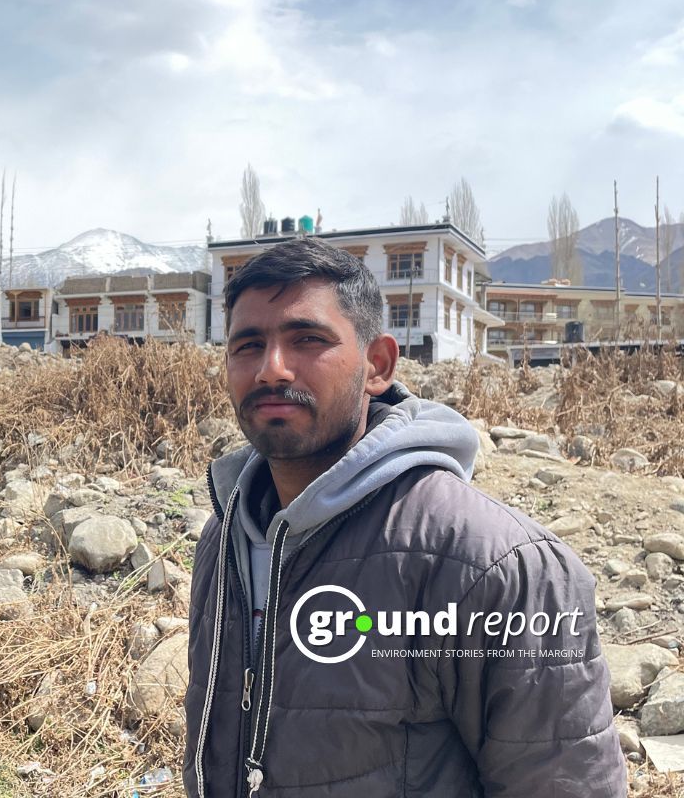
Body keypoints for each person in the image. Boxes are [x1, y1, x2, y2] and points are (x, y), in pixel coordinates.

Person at [184, 238, 624, 797]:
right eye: (248, 345)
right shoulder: (225, 539)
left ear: (378, 365)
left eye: (307, 340)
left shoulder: (493, 564)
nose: (272, 369)